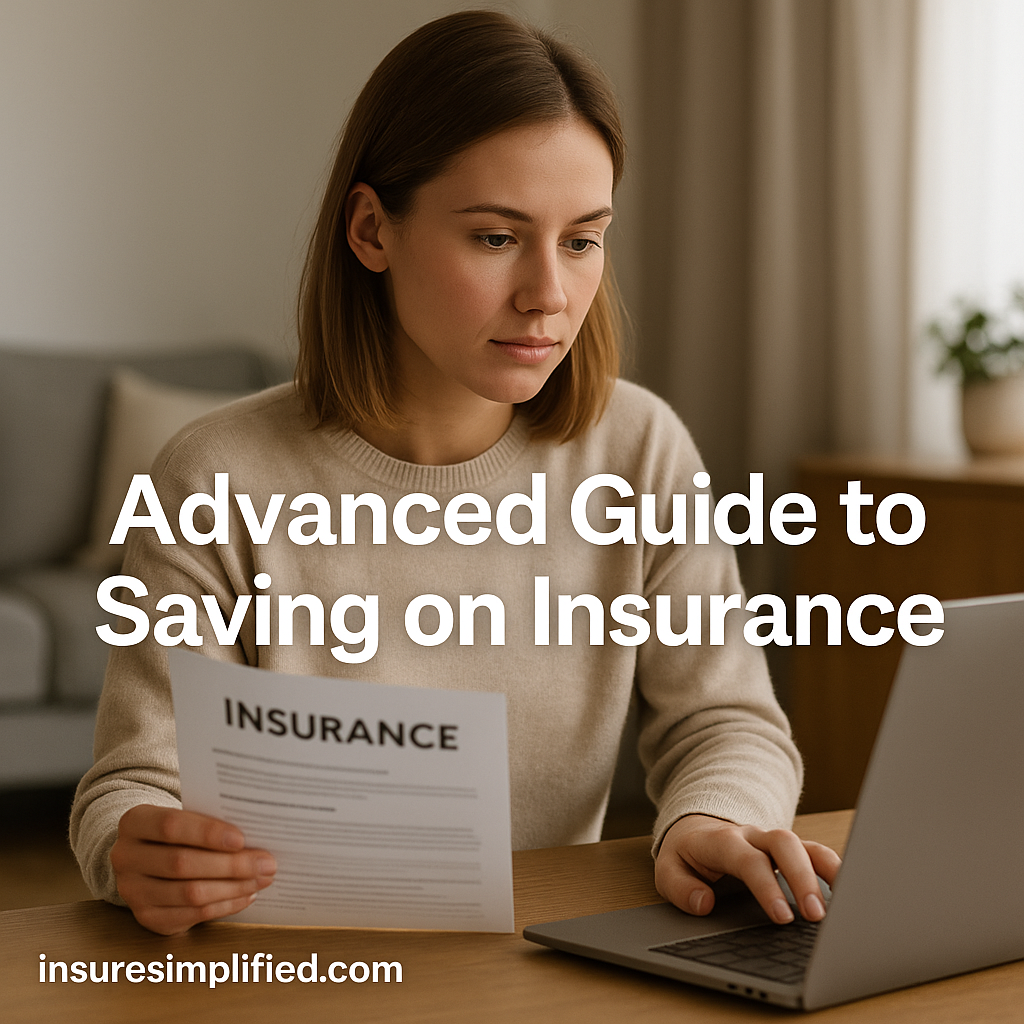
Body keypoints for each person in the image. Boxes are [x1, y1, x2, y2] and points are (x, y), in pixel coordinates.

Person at [71, 10, 840, 937]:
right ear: (370, 230)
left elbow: (728, 720)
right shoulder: (212, 474)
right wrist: (134, 851)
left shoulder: (639, 450)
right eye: (494, 237)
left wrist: (712, 816)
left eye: (582, 239)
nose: (549, 296)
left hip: (537, 968)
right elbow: (132, 784)